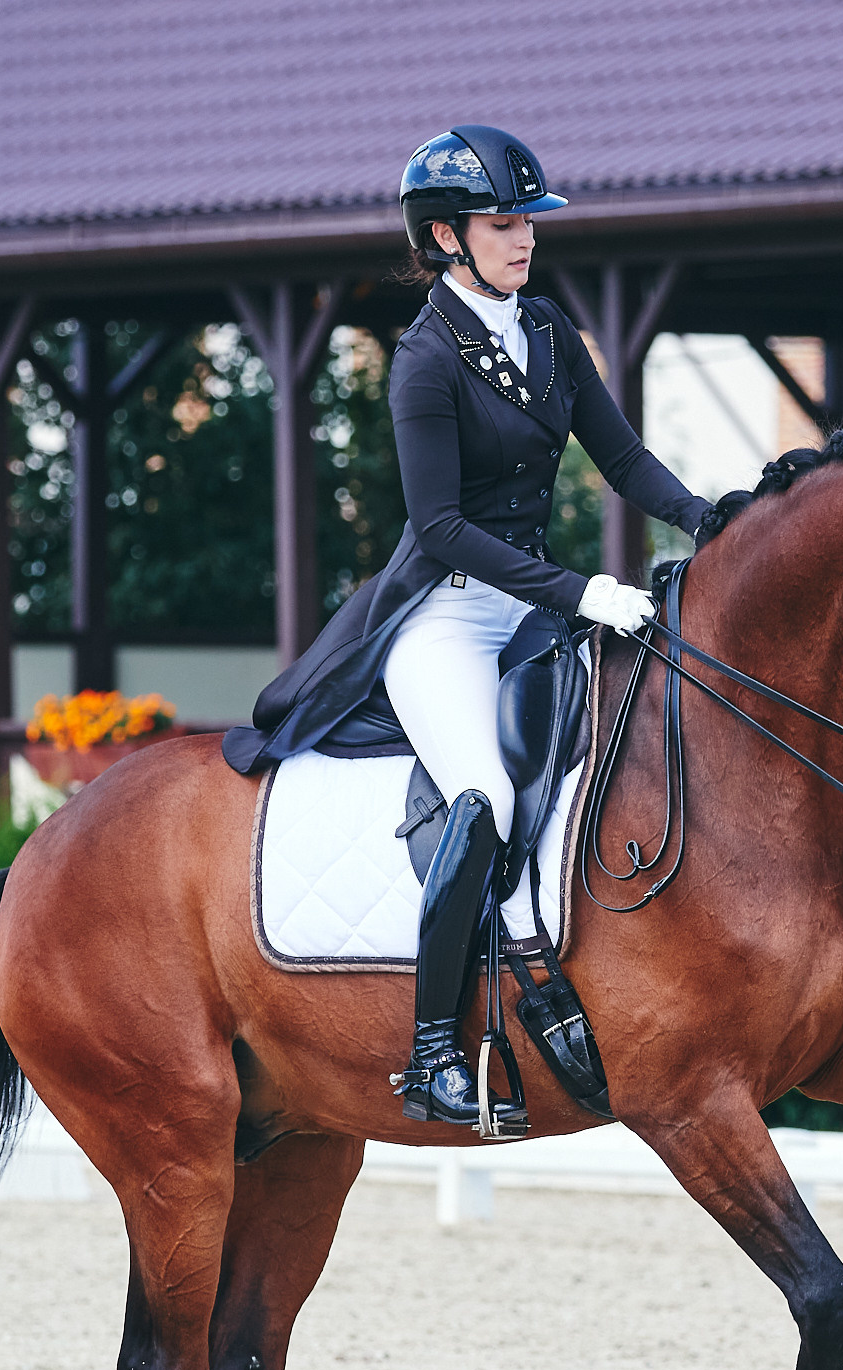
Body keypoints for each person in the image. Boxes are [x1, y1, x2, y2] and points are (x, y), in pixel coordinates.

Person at [219, 125, 716, 1128]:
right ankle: (434, 1050)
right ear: (446, 237)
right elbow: (441, 528)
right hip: (445, 616)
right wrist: (580, 592)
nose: (525, 239)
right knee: (483, 795)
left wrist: (714, 520)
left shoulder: (548, 330)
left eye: (529, 222)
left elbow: (623, 461)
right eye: (503, 225)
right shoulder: (423, 361)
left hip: (531, 612)